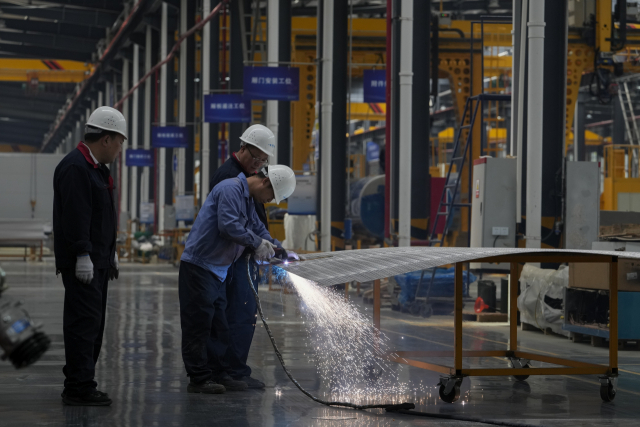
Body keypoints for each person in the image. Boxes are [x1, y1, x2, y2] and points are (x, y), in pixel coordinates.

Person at [179, 165, 296, 394]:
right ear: (265, 182)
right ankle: (199, 378)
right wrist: (256, 244)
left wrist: (279, 250)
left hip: (218, 269)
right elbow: (228, 226)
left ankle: (219, 373)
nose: (270, 200)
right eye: (272, 195)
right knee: (199, 325)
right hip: (199, 267)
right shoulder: (230, 189)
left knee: (219, 326)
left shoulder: (249, 200)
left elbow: (257, 228)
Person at [53, 106, 125, 406]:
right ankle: (79, 387)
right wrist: (82, 253)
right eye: (119, 141)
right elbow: (76, 216)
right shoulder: (76, 168)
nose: (120, 149)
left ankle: (81, 379)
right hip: (84, 263)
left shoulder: (96, 168)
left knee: (92, 324)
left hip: (99, 260)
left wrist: (112, 251)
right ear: (106, 139)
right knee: (83, 324)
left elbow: (101, 216)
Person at [208, 125, 289, 389]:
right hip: (233, 258)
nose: (259, 163)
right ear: (244, 148)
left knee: (243, 313)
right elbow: (231, 224)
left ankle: (234, 369)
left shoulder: (246, 177)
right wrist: (257, 244)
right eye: (258, 157)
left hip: (244, 254)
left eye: (264, 160)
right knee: (237, 313)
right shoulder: (230, 178)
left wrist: (273, 246)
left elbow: (253, 222)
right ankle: (229, 371)